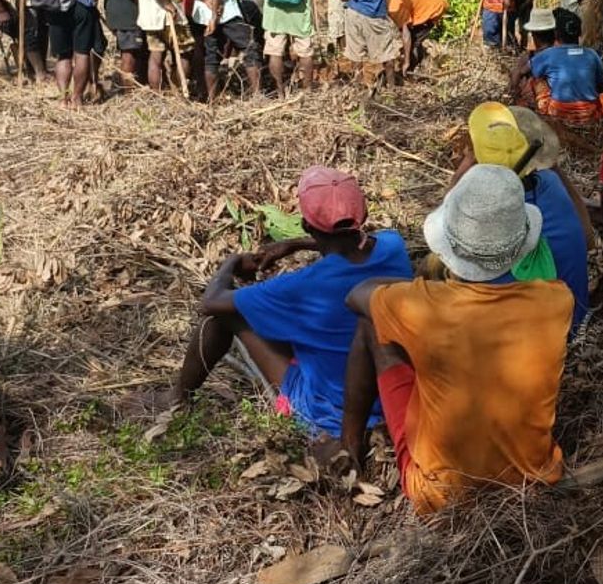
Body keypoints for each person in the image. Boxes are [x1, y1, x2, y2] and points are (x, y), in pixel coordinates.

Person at [339, 166, 575, 512]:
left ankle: (349, 446)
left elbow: (356, 296)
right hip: (530, 483)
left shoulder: (423, 305)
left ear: (449, 247)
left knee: (370, 326)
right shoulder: (557, 300)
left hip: (440, 498)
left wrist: (414, 287)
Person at [146, 168, 412, 447]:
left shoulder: (302, 286)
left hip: (332, 412)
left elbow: (210, 303)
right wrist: (296, 245)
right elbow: (354, 241)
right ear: (364, 214)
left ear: (307, 225)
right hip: (393, 396)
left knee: (221, 319)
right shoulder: (394, 246)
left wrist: (232, 262)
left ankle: (176, 399)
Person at [462, 103, 593, 331]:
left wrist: (466, 165)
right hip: (575, 321)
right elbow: (587, 236)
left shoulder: (486, 211)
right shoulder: (551, 183)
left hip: (527, 338)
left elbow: (446, 228)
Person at [521, 8, 603, 123]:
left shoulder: (548, 55)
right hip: (589, 115)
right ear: (580, 33)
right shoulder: (592, 54)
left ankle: (542, 114)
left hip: (559, 114)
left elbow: (522, 71)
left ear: (555, 34)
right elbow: (601, 85)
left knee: (536, 79)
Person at [385, 0, 449, 77]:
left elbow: (406, 35)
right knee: (406, 41)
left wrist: (406, 61)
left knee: (413, 43)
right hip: (421, 0)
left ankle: (411, 70)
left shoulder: (394, 6)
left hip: (433, 7)